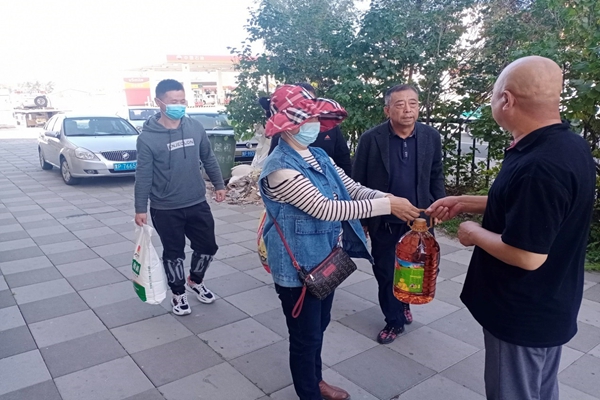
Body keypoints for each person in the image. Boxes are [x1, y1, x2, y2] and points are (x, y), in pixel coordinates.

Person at [427, 56, 596, 400]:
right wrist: (464, 201)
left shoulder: (540, 166)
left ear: (507, 99)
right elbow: (526, 205)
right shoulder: (566, 144)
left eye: (492, 95)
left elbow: (528, 255)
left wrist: (472, 232)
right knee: (540, 390)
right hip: (551, 302)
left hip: (523, 312)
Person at [259, 84, 420, 400]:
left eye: (315, 117)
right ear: (287, 124)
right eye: (306, 118)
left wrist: (388, 197)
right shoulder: (280, 168)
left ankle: (316, 381)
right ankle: (309, 392)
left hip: (325, 260)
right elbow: (326, 208)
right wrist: (387, 206)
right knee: (304, 337)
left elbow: (351, 188)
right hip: (297, 269)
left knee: (319, 326)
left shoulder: (318, 154)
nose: (314, 124)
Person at [352, 84, 445, 344]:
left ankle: (405, 302)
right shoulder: (371, 139)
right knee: (385, 273)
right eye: (400, 104)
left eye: (413, 103)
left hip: (420, 221)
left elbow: (436, 173)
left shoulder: (430, 137)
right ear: (387, 110)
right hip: (385, 221)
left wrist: (439, 205)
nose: (407, 110)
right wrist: (362, 221)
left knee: (419, 269)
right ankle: (393, 321)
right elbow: (358, 181)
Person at [134, 79, 227, 316]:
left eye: (182, 100)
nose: (179, 105)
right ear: (159, 102)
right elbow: (143, 175)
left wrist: (219, 184)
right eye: (173, 101)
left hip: (196, 201)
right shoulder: (147, 138)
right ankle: (178, 294)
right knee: (174, 253)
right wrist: (140, 208)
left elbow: (208, 157)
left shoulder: (195, 127)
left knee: (208, 247)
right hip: (165, 208)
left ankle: (195, 280)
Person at [265, 82, 353, 176]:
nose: (311, 119)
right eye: (303, 113)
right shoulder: (281, 164)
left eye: (313, 113)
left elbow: (343, 159)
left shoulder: (321, 154)